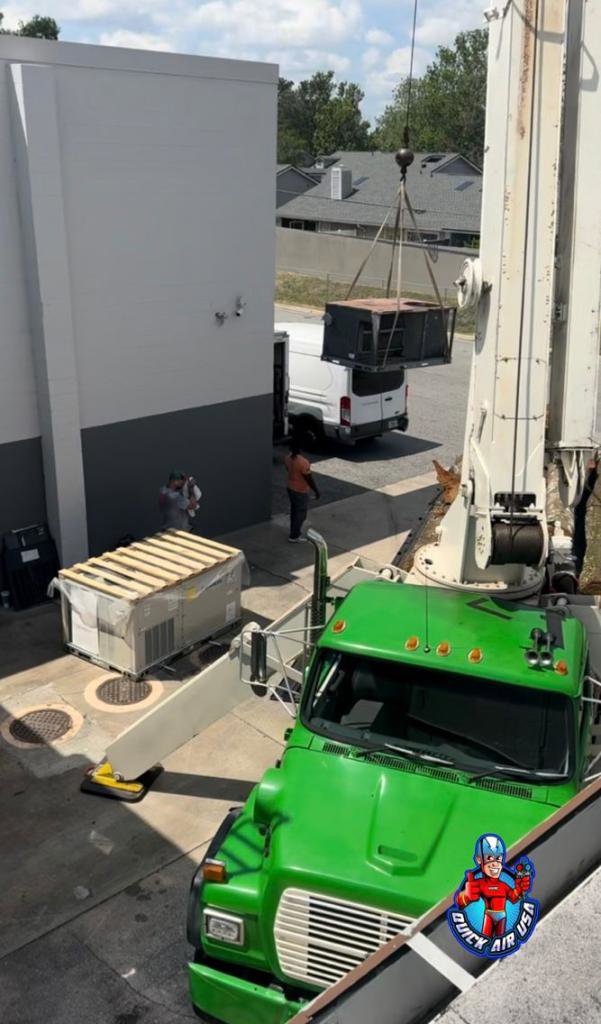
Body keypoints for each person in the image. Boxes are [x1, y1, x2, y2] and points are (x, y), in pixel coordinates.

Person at [284, 441, 320, 542]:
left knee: (294, 511)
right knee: (301, 513)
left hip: (290, 487)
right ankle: (294, 536)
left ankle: (293, 532)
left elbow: (287, 469)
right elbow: (309, 478)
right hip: (300, 490)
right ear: (300, 449)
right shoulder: (303, 462)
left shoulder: (287, 458)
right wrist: (316, 491)